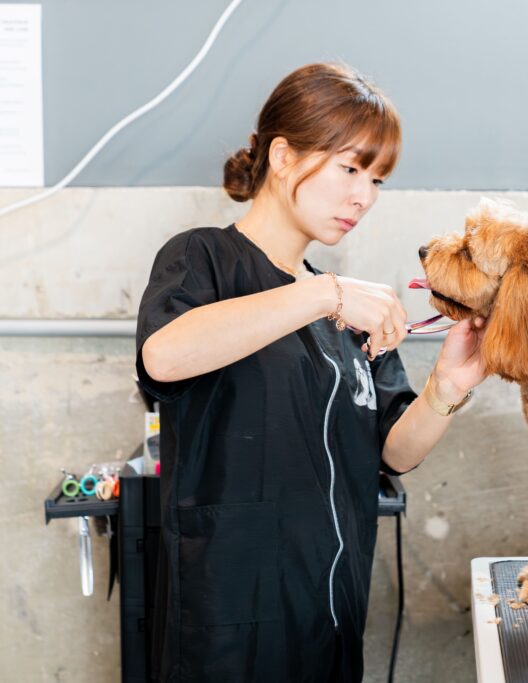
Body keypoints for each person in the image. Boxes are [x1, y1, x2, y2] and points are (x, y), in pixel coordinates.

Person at [135, 62, 486, 681]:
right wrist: (322, 295)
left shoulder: (347, 304)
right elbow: (164, 355)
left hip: (328, 611)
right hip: (229, 621)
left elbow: (395, 451)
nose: (364, 196)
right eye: (350, 168)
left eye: (377, 180)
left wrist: (448, 387)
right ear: (283, 156)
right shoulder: (205, 258)